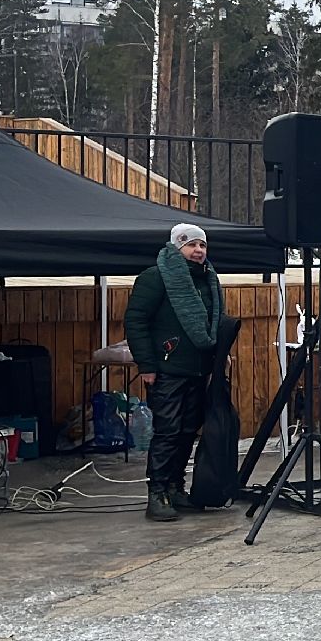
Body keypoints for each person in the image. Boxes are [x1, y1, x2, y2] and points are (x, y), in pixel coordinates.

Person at [125, 223, 225, 522]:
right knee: (167, 432)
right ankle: (156, 493)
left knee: (186, 432)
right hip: (167, 369)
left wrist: (220, 357)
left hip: (198, 369)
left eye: (202, 246)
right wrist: (147, 365)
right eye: (191, 245)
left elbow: (213, 323)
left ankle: (175, 486)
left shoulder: (209, 279)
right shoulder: (156, 278)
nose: (198, 251)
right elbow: (136, 321)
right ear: (176, 247)